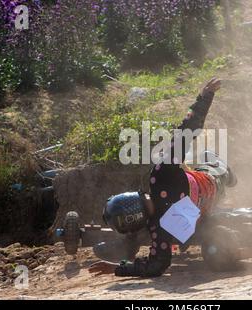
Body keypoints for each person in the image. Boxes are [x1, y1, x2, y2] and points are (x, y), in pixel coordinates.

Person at [88, 78, 236, 277]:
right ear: (131, 196)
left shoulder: (160, 228)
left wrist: (118, 268)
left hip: (205, 208)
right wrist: (204, 98)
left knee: (205, 166)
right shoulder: (160, 176)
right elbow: (185, 133)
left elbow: (156, 265)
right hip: (212, 183)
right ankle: (224, 171)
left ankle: (220, 170)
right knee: (209, 161)